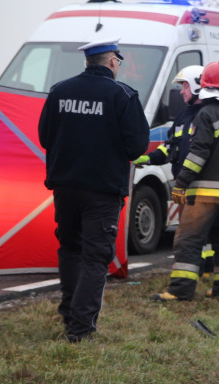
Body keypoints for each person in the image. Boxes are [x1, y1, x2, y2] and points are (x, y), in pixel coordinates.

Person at [38, 37, 150, 342]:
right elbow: (138, 146)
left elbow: (45, 137)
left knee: (70, 249)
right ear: (112, 61)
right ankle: (81, 329)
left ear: (87, 61)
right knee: (95, 257)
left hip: (65, 187)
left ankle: (69, 316)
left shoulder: (59, 91)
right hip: (102, 191)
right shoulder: (123, 95)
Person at [152, 60, 219, 302]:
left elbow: (198, 154)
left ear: (204, 87)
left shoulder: (205, 115)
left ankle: (180, 291)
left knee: (189, 240)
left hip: (204, 194)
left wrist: (181, 183)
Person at [133, 65, 216, 276]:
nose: (181, 91)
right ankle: (200, 271)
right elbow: (170, 147)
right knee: (192, 234)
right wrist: (147, 159)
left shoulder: (207, 115)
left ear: (197, 86)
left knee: (192, 234)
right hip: (185, 187)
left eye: (185, 86)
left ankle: (195, 273)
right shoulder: (183, 116)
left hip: (200, 187)